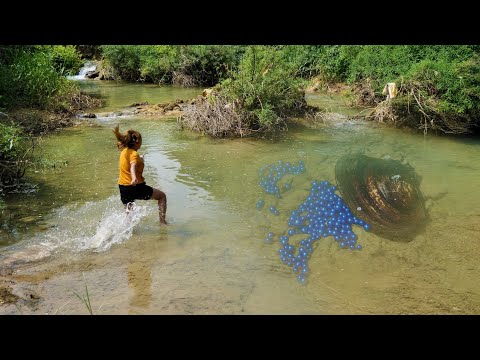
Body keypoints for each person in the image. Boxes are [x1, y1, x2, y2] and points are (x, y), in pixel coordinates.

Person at [112, 125, 167, 225]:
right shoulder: (134, 154)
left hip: (123, 187)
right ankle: (162, 223)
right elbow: (132, 166)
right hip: (135, 186)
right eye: (141, 140)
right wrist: (133, 178)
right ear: (137, 142)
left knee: (129, 212)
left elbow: (130, 163)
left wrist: (140, 159)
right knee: (162, 196)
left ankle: (127, 230)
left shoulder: (124, 152)